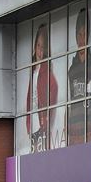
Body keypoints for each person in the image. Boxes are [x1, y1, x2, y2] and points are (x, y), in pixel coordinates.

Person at [25, 24, 58, 153]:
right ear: (34, 47)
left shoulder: (46, 71)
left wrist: (46, 118)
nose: (39, 51)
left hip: (41, 126)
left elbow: (54, 89)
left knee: (42, 157)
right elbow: (28, 99)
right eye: (38, 46)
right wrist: (28, 123)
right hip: (33, 126)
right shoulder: (33, 71)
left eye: (42, 47)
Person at [67, 8, 91, 142]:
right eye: (79, 34)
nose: (82, 39)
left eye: (84, 34)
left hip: (88, 125)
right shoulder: (71, 69)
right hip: (74, 127)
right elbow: (68, 102)